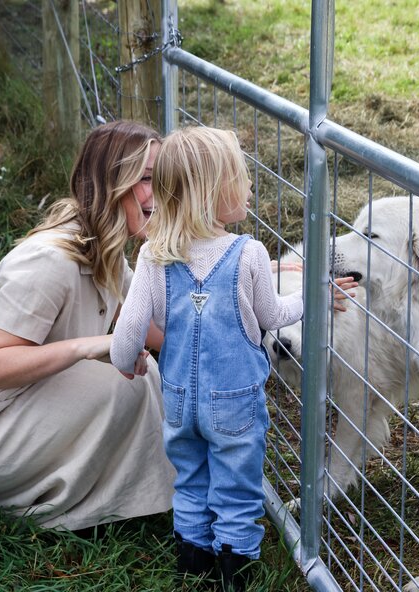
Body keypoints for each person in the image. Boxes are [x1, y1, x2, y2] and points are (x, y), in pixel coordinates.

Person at [111, 126, 357, 591]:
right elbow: (274, 315)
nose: (249, 186)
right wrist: (314, 295)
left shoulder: (152, 256)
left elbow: (128, 331)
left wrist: (127, 362)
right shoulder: (248, 254)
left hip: (179, 399)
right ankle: (235, 573)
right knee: (237, 487)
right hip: (235, 403)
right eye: (242, 178)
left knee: (190, 478)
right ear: (214, 192)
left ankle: (194, 566)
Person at [0, 121, 176, 532]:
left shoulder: (106, 248)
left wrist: (222, 338)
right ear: (110, 183)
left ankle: (124, 494)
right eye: (146, 179)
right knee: (124, 381)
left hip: (17, 403)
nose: (160, 192)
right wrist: (89, 347)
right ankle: (39, 506)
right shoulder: (49, 261)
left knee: (146, 373)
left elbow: (149, 325)